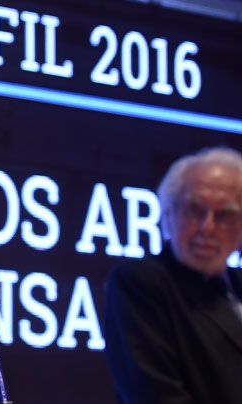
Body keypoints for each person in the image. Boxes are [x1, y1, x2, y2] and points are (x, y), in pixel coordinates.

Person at [104, 146, 242, 404]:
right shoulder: (140, 283)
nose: (207, 228)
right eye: (194, 210)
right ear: (168, 214)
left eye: (224, 215)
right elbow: (154, 395)